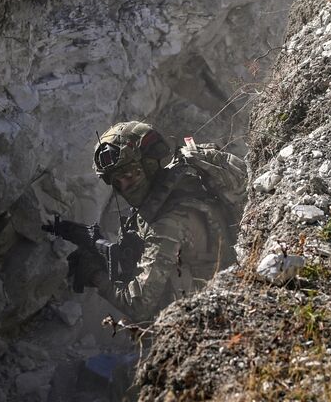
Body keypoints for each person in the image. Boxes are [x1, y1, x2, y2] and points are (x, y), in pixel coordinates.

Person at [87, 121, 243, 320]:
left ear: (149, 165)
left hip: (213, 318)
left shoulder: (168, 222)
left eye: (129, 174)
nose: (124, 185)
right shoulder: (183, 183)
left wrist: (96, 276)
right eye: (117, 180)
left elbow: (139, 306)